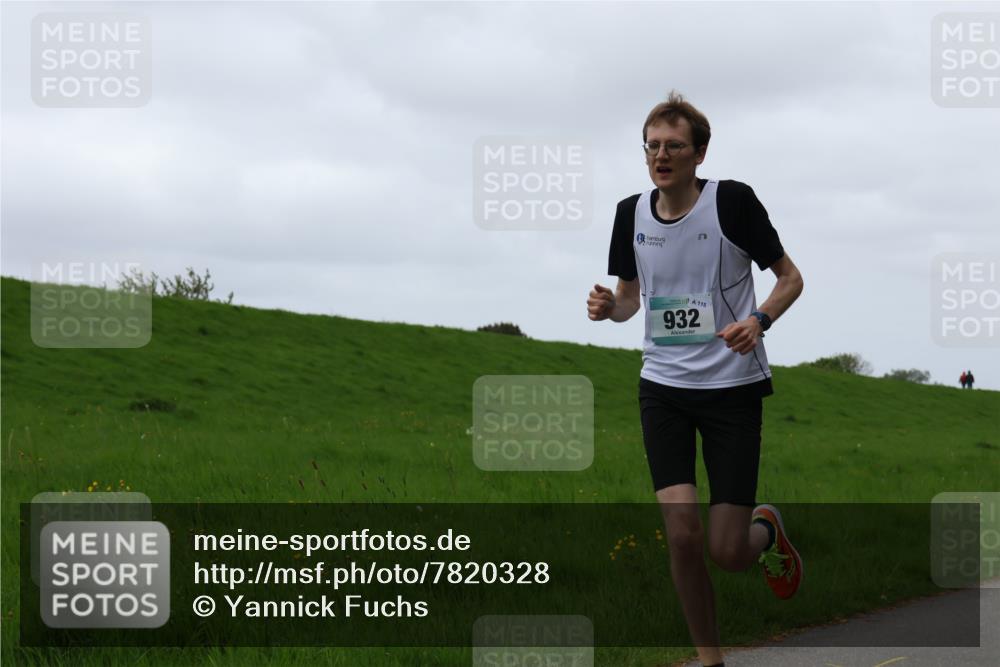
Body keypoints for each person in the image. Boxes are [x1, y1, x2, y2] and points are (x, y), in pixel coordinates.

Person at [587, 91, 805, 667]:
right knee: (681, 535)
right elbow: (633, 301)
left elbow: (790, 278)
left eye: (674, 146)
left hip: (732, 390)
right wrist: (609, 307)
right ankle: (711, 661)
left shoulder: (731, 204)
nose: (661, 156)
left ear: (699, 154)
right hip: (662, 388)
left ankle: (767, 531)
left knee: (728, 551)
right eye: (652, 146)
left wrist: (758, 321)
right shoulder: (628, 213)